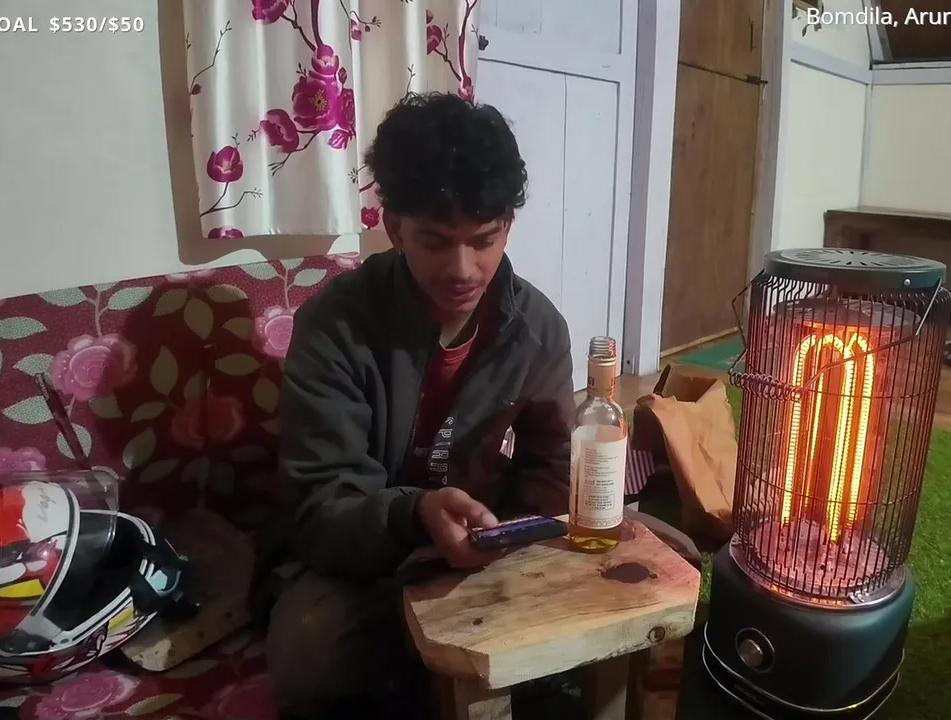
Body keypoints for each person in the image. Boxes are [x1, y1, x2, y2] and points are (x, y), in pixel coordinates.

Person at [253, 92, 697, 719]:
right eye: (436, 242)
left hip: (486, 535)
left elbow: (550, 468)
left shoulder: (537, 327)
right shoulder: (335, 325)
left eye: (483, 239)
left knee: (672, 559)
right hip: (370, 551)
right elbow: (321, 505)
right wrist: (416, 516)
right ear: (394, 227)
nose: (463, 269)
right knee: (312, 650)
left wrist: (516, 532)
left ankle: (476, 658)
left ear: (508, 225)